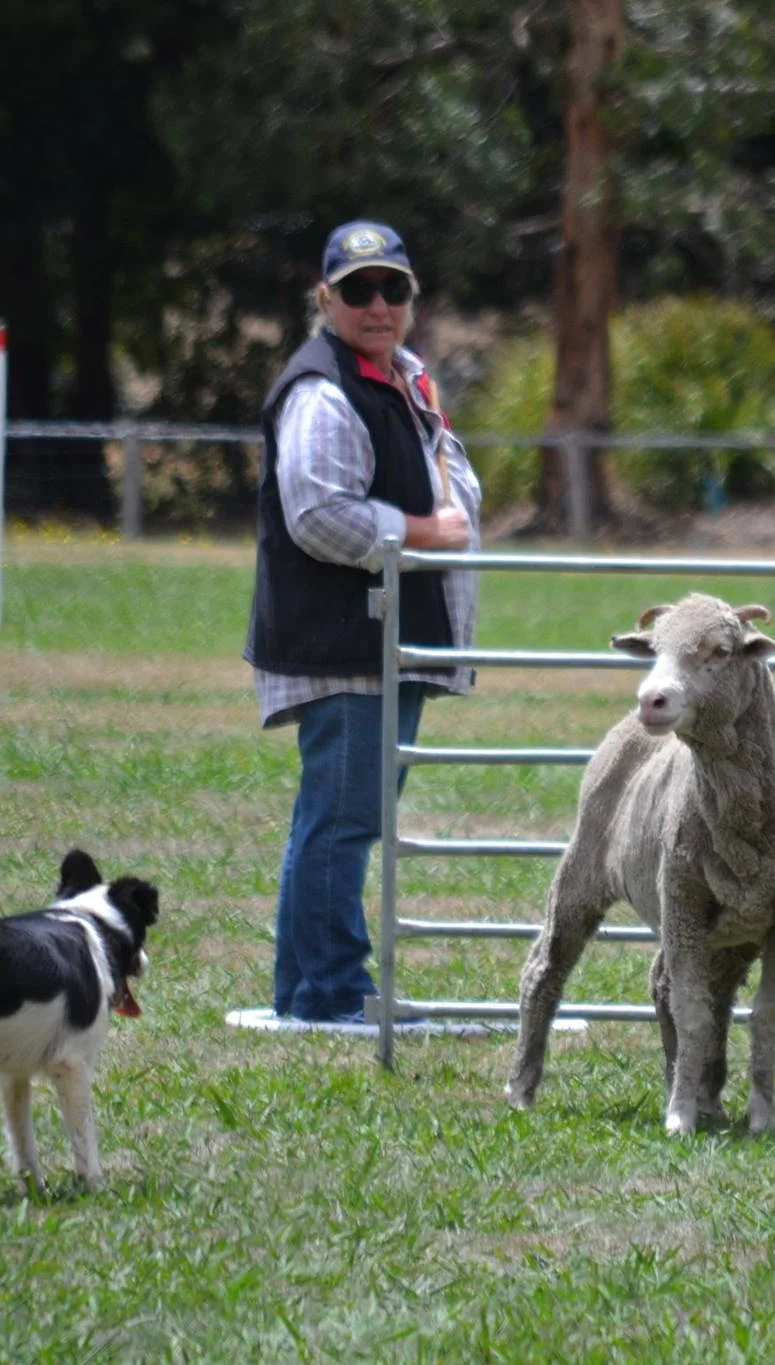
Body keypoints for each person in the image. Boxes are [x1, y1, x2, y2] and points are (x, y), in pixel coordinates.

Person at [245, 220, 481, 1027]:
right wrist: (427, 531)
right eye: (357, 290)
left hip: (387, 642)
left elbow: (455, 491)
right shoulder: (322, 389)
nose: (377, 304)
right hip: (345, 646)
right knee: (343, 821)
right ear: (325, 299)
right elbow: (319, 513)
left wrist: (447, 519)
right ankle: (331, 993)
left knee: (346, 819)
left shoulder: (405, 378)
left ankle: (308, 990)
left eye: (393, 288)